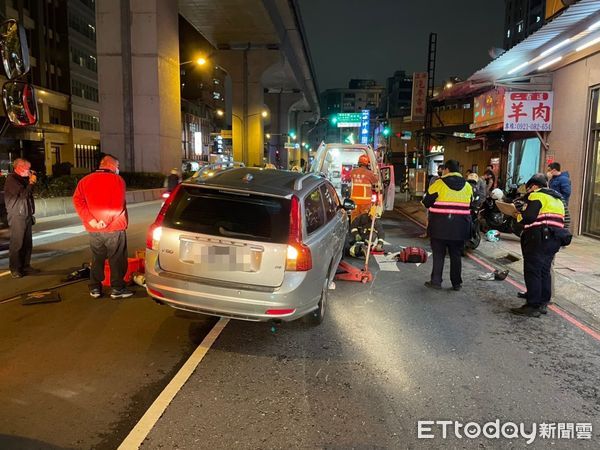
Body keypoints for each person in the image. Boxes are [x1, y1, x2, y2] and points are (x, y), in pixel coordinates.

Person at [73, 155, 133, 299]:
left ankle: (95, 288)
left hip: (94, 229)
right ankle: (117, 289)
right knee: (117, 259)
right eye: (117, 166)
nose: (118, 169)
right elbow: (117, 204)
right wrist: (105, 221)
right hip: (114, 227)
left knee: (97, 258)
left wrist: (92, 220)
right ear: (111, 165)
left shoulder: (85, 180)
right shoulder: (117, 180)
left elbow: (77, 200)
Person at [511, 173, 565, 317]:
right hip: (554, 239)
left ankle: (532, 305)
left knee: (533, 271)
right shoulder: (558, 199)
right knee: (544, 271)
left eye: (528, 188)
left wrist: (518, 214)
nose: (528, 192)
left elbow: (529, 217)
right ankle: (542, 303)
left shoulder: (537, 195)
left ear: (534, 186)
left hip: (538, 238)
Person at [422, 159, 473, 291]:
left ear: (447, 170)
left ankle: (436, 281)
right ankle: (456, 283)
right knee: (456, 255)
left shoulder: (439, 184)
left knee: (438, 254)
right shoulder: (467, 186)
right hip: (460, 228)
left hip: (439, 227)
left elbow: (426, 202)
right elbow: (472, 204)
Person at [4, 158, 38, 278]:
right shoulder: (11, 179)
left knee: (27, 243)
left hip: (26, 214)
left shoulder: (22, 179)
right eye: (28, 168)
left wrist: (30, 182)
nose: (29, 171)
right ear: (19, 167)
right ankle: (15, 268)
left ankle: (25, 266)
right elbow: (24, 195)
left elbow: (29, 194)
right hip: (17, 215)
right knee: (17, 243)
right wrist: (31, 183)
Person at [349, 154, 378, 222]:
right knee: (364, 220)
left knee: (354, 219)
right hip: (365, 202)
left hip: (354, 201)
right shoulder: (369, 173)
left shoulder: (353, 172)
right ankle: (362, 231)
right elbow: (375, 181)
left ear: (359, 163)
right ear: (367, 164)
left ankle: (353, 231)